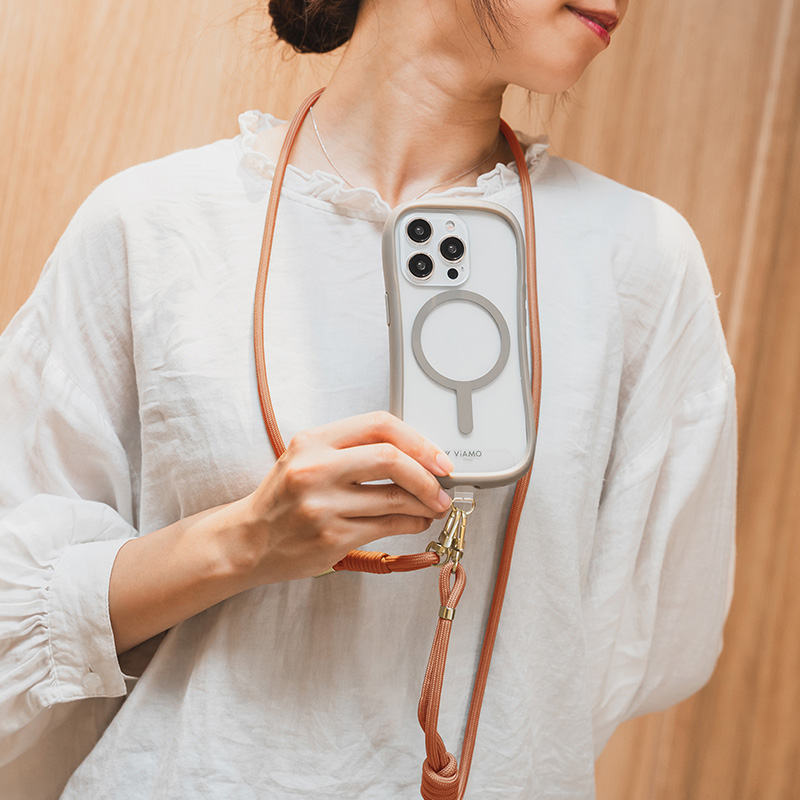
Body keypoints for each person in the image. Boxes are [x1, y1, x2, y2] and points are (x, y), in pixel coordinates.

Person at [0, 0, 737, 797]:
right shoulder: (154, 226)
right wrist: (246, 541)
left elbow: (629, 652)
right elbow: (16, 618)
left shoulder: (638, 264)